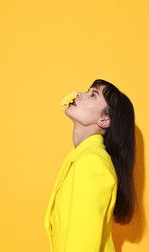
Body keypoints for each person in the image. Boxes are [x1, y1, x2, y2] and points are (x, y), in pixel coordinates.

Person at [45, 79, 135, 252]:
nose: (78, 94)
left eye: (92, 95)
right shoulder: (82, 157)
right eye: (88, 91)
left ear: (104, 120)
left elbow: (82, 245)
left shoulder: (93, 164)